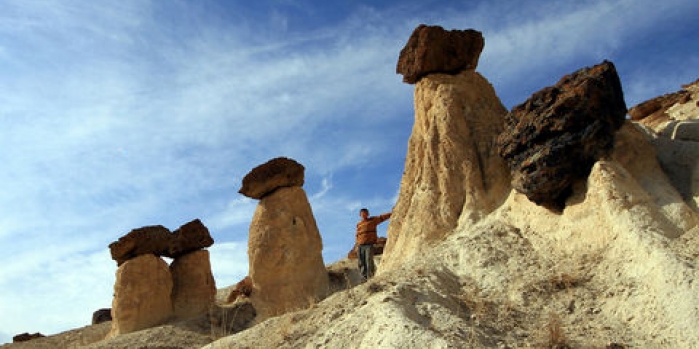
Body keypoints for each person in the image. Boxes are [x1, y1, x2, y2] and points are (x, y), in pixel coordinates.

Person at [355, 207, 392, 281]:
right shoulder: (359, 224)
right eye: (362, 214)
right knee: (361, 262)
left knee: (369, 260)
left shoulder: (372, 220)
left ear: (368, 214)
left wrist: (391, 213)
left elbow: (382, 217)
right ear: (360, 215)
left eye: (365, 213)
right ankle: (363, 278)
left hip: (369, 244)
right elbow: (357, 235)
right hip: (360, 245)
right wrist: (357, 245)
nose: (364, 215)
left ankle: (370, 277)